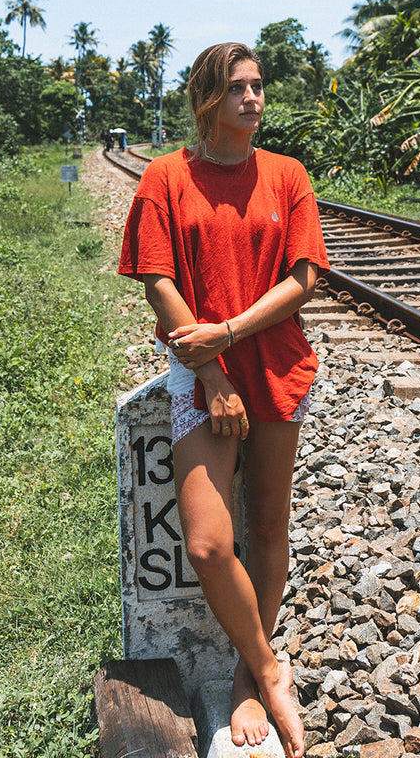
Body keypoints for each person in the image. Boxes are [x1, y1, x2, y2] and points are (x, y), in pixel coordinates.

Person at [118, 42, 329, 758]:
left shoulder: (286, 175)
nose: (254, 98)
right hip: (198, 372)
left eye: (259, 86)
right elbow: (157, 279)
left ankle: (245, 673)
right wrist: (211, 372)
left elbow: (303, 279)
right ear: (207, 100)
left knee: (268, 526)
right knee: (210, 541)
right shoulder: (166, 176)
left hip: (275, 362)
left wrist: (233, 332)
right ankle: (274, 668)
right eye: (237, 87)